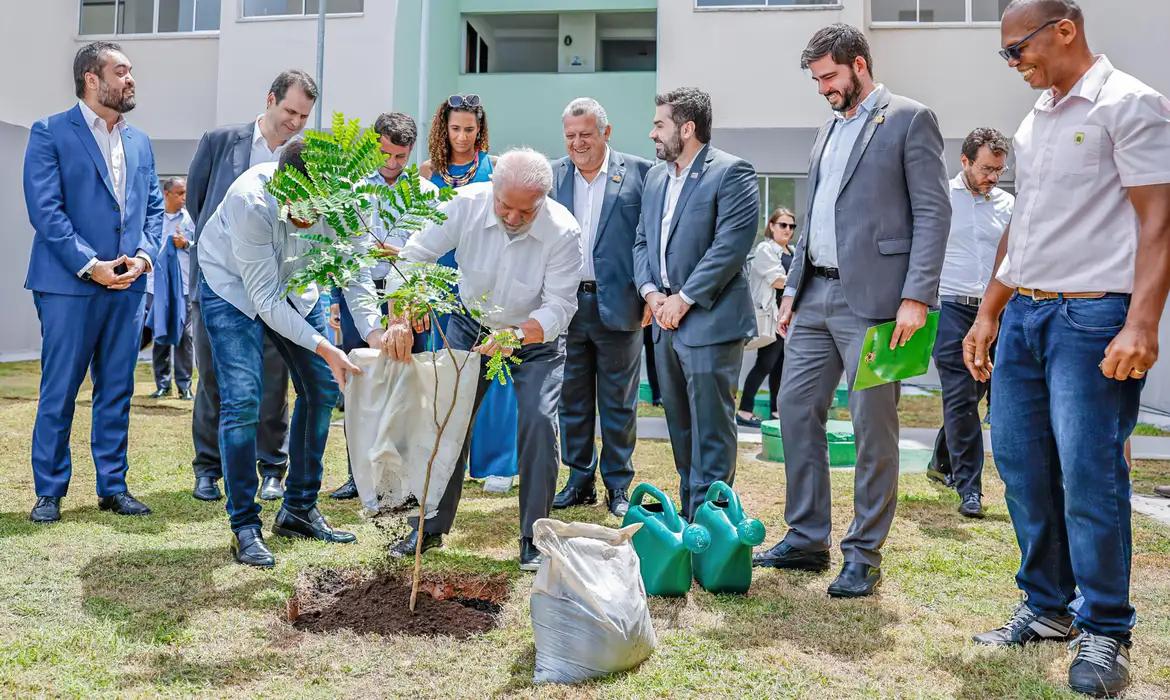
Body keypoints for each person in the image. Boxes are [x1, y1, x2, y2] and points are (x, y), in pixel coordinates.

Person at [965, 2, 1170, 695]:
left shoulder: (1131, 104)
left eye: (1016, 50)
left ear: (1064, 30)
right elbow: (1024, 225)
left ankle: (1107, 627)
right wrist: (989, 312)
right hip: (1025, 315)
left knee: (1090, 475)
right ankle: (1048, 608)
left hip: (1092, 320)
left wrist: (1141, 324)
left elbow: (1158, 221)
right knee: (1021, 465)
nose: (1013, 64)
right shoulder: (1036, 118)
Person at [752, 24, 950, 599]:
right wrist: (791, 292)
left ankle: (863, 553)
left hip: (880, 303)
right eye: (817, 80)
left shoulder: (910, 119)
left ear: (859, 64)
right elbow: (813, 219)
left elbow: (933, 214)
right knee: (792, 409)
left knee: (872, 428)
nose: (824, 89)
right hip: (814, 297)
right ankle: (808, 537)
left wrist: (917, 295)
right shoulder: (825, 132)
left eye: (830, 76)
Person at [385, 148, 582, 571]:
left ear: (543, 201)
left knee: (538, 422)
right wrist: (403, 311)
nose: (511, 217)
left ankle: (535, 537)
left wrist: (516, 335)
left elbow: (561, 307)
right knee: (447, 419)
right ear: (493, 189)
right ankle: (430, 526)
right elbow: (413, 255)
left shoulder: (564, 231)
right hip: (469, 323)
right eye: (504, 206)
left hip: (535, 338)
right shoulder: (466, 204)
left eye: (523, 211)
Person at [196, 141, 385, 568]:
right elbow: (263, 298)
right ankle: (245, 524)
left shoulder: (348, 203)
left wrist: (373, 332)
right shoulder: (251, 201)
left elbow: (353, 274)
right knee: (243, 400)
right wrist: (325, 346)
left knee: (320, 389)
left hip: (298, 287)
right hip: (233, 290)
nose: (309, 219)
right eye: (301, 208)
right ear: (283, 186)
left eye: (317, 211)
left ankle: (299, 508)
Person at [23, 41, 162, 524]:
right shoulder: (49, 132)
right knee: (59, 389)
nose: (131, 80)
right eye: (121, 71)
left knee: (117, 389)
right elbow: (46, 211)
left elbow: (155, 209)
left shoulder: (140, 141)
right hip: (69, 284)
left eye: (131, 72)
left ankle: (113, 487)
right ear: (91, 79)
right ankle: (49, 491)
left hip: (128, 287)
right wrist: (91, 264)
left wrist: (144, 258)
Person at [185, 70, 316, 502]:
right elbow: (197, 203)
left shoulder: (305, 159)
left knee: (274, 381)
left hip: (276, 289)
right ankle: (208, 467)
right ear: (270, 100)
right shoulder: (222, 142)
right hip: (221, 285)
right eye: (289, 111)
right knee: (216, 377)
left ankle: (272, 467)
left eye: (304, 115)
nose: (295, 122)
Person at [633, 87, 760, 520]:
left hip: (709, 320)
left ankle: (713, 521)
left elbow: (730, 247)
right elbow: (642, 241)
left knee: (712, 430)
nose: (652, 133)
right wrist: (651, 294)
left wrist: (683, 300)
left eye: (659, 124)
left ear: (687, 129)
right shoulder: (654, 177)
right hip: (663, 323)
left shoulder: (731, 173)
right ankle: (690, 518)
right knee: (681, 428)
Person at [326, 111, 438, 500]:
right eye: (386, 155)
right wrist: (336, 300)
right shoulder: (351, 189)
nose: (392, 164)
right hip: (359, 291)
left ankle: (405, 476)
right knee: (361, 381)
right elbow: (340, 252)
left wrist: (403, 257)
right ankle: (359, 473)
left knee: (408, 383)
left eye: (401, 157)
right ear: (374, 145)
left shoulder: (426, 193)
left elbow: (430, 255)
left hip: (407, 295)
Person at [550, 97, 653, 518]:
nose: (578, 144)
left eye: (586, 135)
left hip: (621, 304)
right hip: (567, 305)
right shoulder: (553, 176)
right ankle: (579, 478)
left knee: (618, 401)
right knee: (571, 399)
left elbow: (651, 238)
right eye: (571, 136)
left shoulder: (642, 173)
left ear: (606, 133)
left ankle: (618, 484)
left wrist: (651, 292)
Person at [421, 94, 519, 495]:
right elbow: (420, 231)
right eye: (455, 128)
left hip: (486, 281)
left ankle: (498, 463)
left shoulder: (494, 170)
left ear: (481, 131)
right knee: (448, 374)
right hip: (441, 283)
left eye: (470, 129)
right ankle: (446, 460)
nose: (462, 137)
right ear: (443, 129)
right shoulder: (428, 172)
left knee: (496, 370)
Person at [924, 128, 1013, 518]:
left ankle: (941, 458)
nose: (993, 177)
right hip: (951, 308)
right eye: (986, 169)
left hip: (997, 311)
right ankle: (969, 487)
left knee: (984, 389)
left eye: (999, 170)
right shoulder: (940, 197)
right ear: (964, 161)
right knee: (960, 394)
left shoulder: (1009, 205)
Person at [736, 208, 797, 428]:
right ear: (771, 226)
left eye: (791, 226)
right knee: (765, 364)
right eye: (783, 225)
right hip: (772, 315)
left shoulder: (792, 250)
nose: (787, 230)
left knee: (781, 366)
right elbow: (777, 280)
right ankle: (744, 411)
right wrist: (801, 279)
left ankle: (776, 411)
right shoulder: (765, 249)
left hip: (788, 318)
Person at [147, 176, 195, 400]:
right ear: (166, 194)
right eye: (180, 193)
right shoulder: (154, 219)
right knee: (161, 333)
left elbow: (202, 246)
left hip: (184, 286)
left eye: (185, 193)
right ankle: (162, 384)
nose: (184, 197)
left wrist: (185, 243)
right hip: (157, 288)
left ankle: (184, 386)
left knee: (185, 336)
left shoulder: (190, 219)